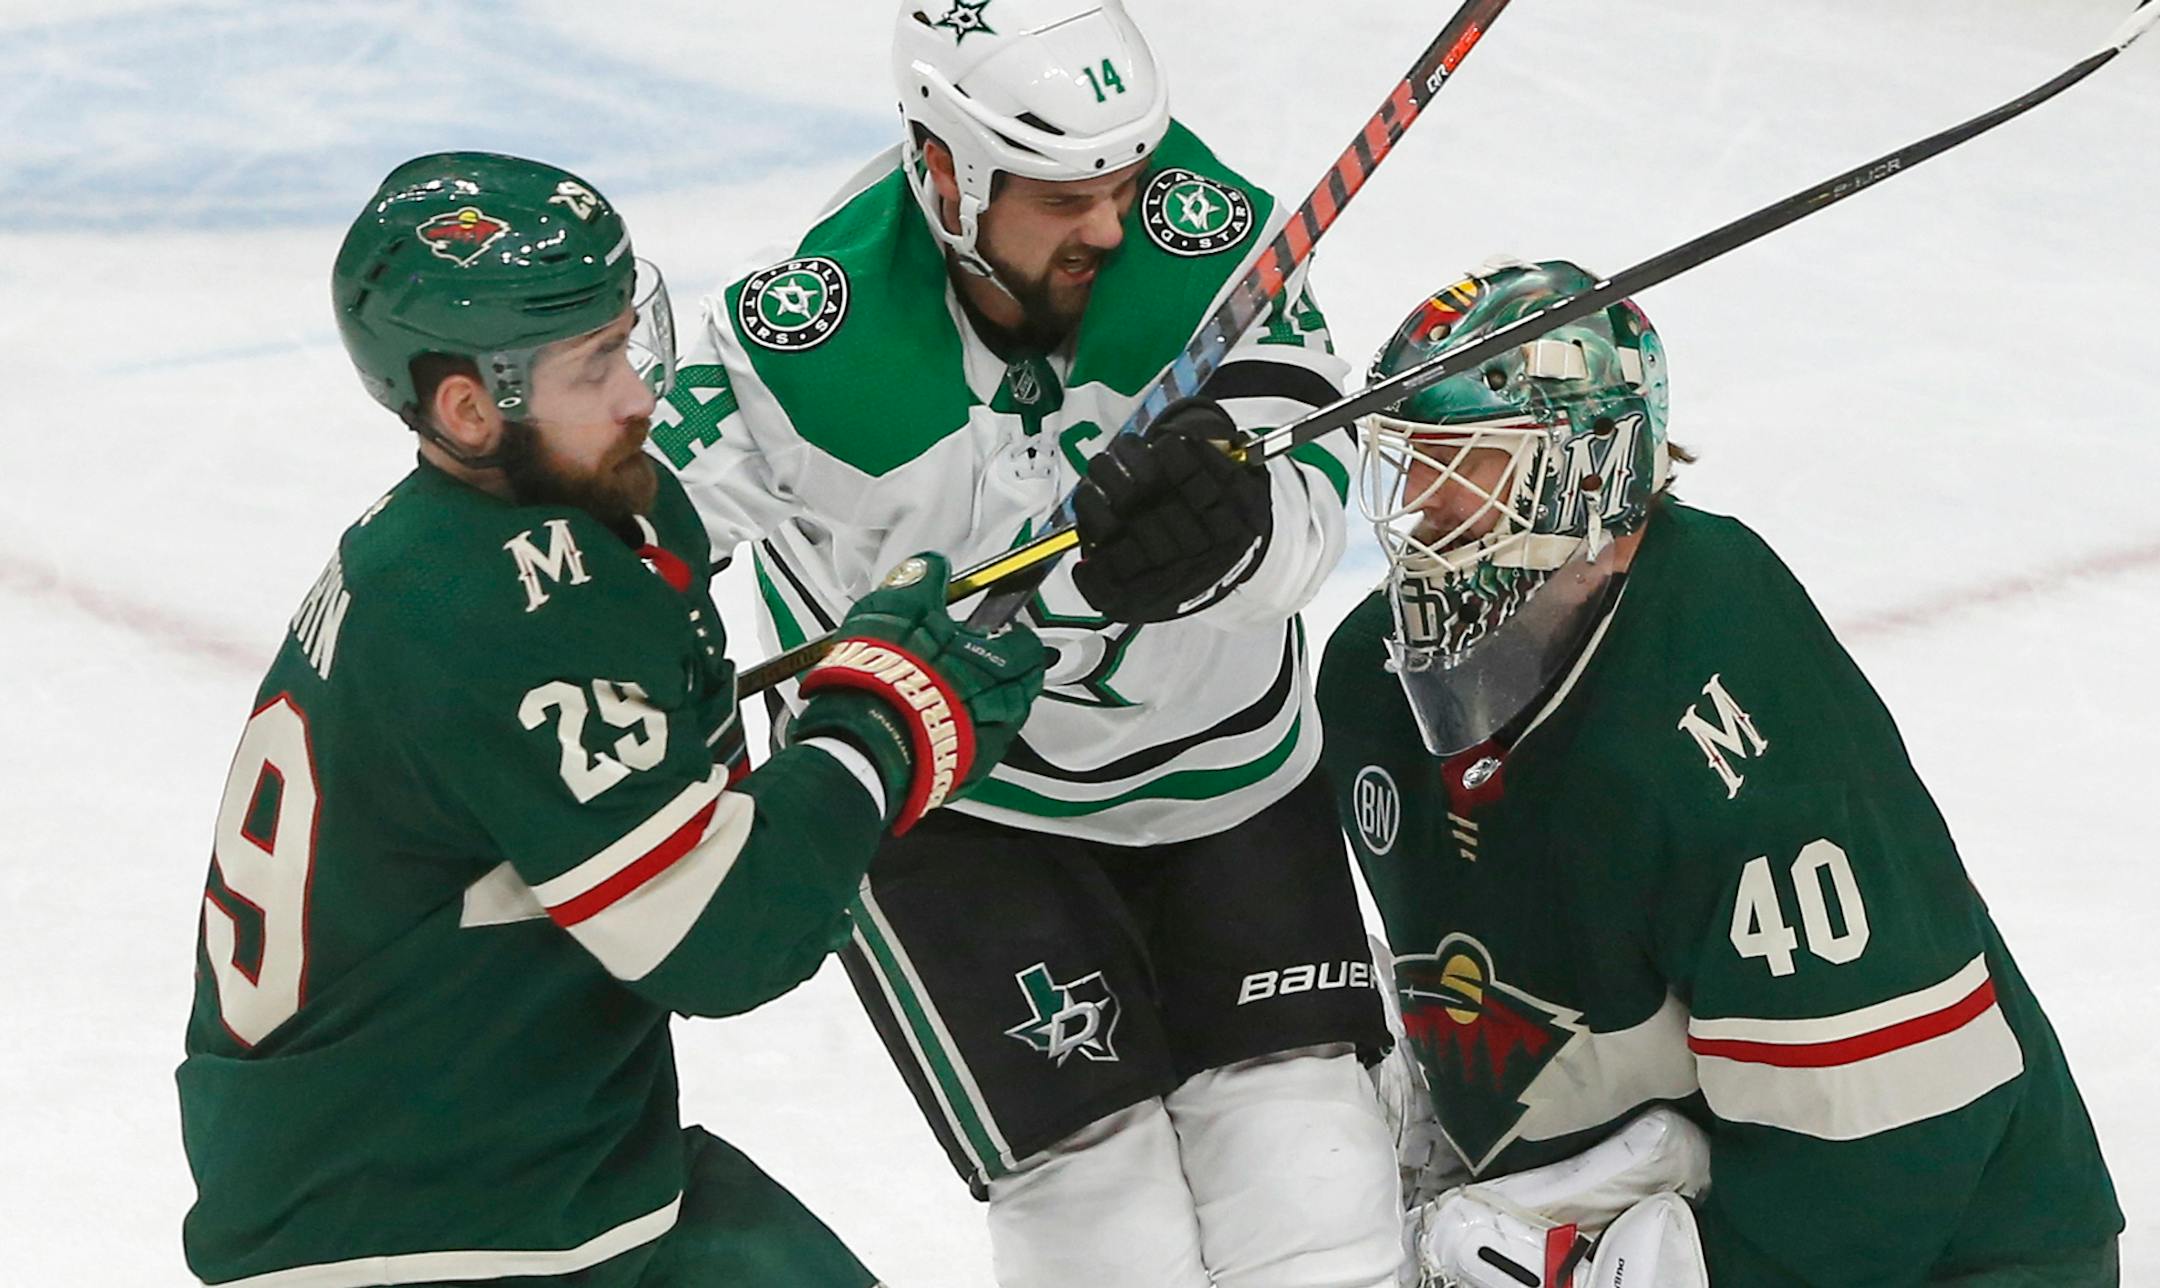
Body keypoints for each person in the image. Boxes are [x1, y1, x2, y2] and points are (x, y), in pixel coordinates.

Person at [175, 152, 1047, 1288]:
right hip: (417, 1232)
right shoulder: (500, 604)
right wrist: (879, 731)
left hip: (518, 1158)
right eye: (594, 367)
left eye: (626, 342)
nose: (641, 394)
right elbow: (719, 937)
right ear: (470, 405)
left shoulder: (463, 546)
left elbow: (687, 800)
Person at [655, 3, 1401, 1284]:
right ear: (945, 171)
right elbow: (634, 523)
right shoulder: (808, 342)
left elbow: (1315, 463)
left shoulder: (1208, 242)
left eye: (1123, 181)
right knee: (1107, 1224)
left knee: (1314, 1180)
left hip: (1223, 767)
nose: (1109, 226)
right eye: (1064, 196)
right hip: (955, 805)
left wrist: (1239, 529)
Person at [1316, 258, 2124, 1286]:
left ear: (1591, 486)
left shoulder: (1726, 697)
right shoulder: (1366, 677)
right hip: (1678, 1208)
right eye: (1413, 461)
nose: (1422, 507)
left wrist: (1587, 1265)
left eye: (1467, 463)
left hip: (1954, 1254)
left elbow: (1899, 1137)